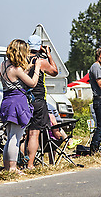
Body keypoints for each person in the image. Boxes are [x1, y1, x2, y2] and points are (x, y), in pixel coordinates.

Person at [0, 39, 41, 174]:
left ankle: (7, 167)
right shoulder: (16, 69)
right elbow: (32, 83)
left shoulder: (3, 65)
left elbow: (17, 75)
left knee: (10, 135)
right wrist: (37, 67)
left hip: (7, 101)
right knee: (15, 138)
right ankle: (12, 168)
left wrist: (29, 66)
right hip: (17, 103)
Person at [25, 35, 59, 169]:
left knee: (23, 134)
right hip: (38, 99)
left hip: (24, 98)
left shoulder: (22, 60)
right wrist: (49, 55)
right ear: (39, 46)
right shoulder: (40, 61)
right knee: (34, 133)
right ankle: (30, 164)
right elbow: (55, 72)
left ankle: (21, 163)